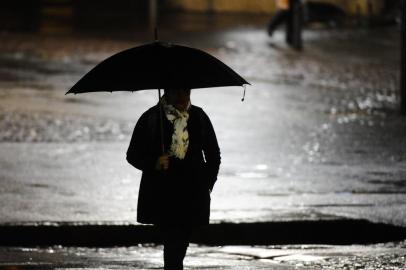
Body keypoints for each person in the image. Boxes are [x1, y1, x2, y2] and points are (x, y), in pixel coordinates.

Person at [126, 88, 221, 270]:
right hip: (162, 194)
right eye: (177, 92)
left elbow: (213, 155)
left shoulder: (199, 117)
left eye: (185, 92)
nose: (182, 97)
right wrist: (154, 162)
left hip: (192, 194)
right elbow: (132, 154)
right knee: (173, 245)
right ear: (167, 93)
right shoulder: (152, 118)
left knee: (179, 244)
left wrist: (207, 185)